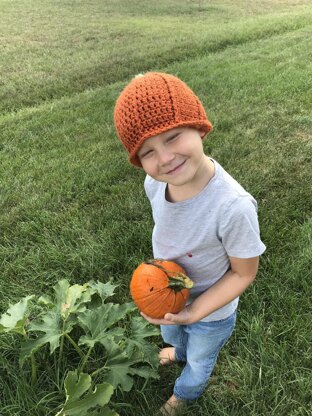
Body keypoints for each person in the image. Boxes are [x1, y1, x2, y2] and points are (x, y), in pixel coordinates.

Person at [114, 72, 266, 415]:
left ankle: (186, 393)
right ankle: (177, 351)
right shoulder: (155, 185)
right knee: (176, 338)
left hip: (211, 311)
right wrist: (169, 301)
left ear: (198, 126)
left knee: (200, 357)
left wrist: (195, 311)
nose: (165, 158)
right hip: (167, 297)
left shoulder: (233, 207)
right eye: (148, 152)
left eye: (172, 137)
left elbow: (243, 274)